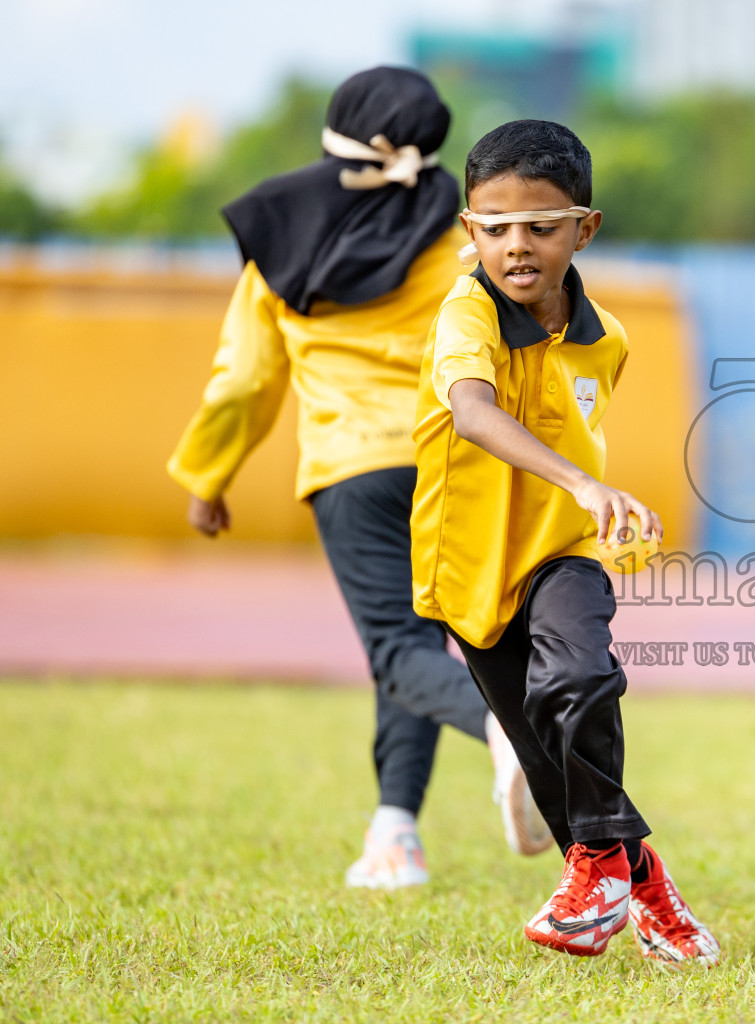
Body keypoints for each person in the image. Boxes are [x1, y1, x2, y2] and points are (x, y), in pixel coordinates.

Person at [166, 66, 551, 890]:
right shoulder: (464, 237)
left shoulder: (282, 234)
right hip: (454, 460)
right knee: (426, 645)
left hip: (351, 469)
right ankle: (394, 835)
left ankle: (505, 731)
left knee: (397, 651)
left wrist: (208, 473)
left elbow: (244, 378)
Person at [410, 119, 718, 965]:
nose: (516, 246)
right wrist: (583, 479)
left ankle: (602, 874)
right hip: (468, 568)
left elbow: (579, 431)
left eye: (540, 227)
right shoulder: (461, 318)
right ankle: (646, 887)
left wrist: (592, 499)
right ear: (469, 230)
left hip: (564, 548)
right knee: (550, 763)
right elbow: (472, 413)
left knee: (580, 678)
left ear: (584, 228)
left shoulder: (606, 339)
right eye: (494, 227)